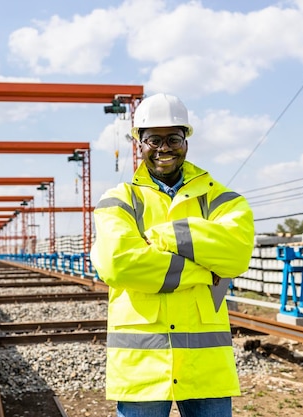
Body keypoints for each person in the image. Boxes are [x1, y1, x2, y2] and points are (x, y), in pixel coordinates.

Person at [90, 93, 254, 417]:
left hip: (204, 368)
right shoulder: (119, 200)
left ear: (186, 141)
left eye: (173, 138)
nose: (164, 148)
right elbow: (117, 264)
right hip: (143, 370)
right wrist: (204, 270)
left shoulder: (222, 199)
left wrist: (162, 236)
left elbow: (236, 254)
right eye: (154, 139)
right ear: (139, 141)